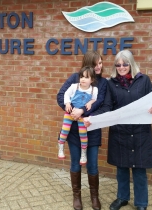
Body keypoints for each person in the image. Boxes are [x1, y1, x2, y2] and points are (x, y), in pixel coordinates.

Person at [84, 49, 152, 210]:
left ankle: (141, 203)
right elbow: (107, 107)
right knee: (122, 168)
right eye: (118, 64)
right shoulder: (112, 83)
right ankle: (122, 197)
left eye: (125, 64)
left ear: (131, 64)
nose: (121, 67)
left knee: (139, 170)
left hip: (140, 133)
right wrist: (93, 118)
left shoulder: (143, 80)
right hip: (120, 132)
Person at [57, 50, 108, 210]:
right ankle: (77, 196)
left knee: (92, 165)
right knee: (75, 164)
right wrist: (74, 111)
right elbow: (61, 96)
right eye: (96, 63)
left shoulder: (103, 83)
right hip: (73, 129)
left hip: (91, 129)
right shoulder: (75, 78)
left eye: (101, 63)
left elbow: (103, 105)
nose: (99, 66)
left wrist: (84, 113)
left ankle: (94, 197)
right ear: (88, 63)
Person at [58, 66, 98, 166]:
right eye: (81, 77)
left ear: (92, 80)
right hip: (70, 112)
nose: (83, 79)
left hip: (82, 116)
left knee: (83, 134)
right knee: (65, 130)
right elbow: (66, 94)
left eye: (86, 77)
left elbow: (95, 99)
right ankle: (61, 145)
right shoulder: (74, 86)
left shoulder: (94, 90)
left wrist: (91, 102)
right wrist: (67, 104)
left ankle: (83, 153)